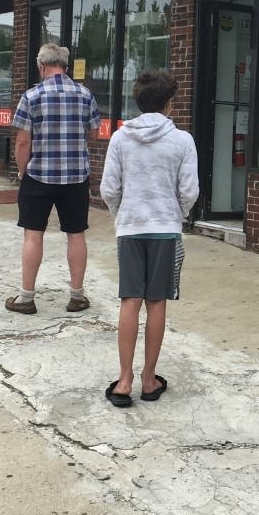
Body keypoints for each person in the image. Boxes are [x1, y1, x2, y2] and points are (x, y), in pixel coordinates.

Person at [99, 70, 198, 407]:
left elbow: (108, 189)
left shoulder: (120, 138)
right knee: (157, 301)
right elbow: (190, 191)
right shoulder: (182, 141)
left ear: (138, 101)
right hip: (165, 229)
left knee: (130, 300)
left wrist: (120, 214)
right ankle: (149, 378)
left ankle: (124, 381)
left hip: (130, 228)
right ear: (170, 103)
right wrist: (177, 214)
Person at [4, 43, 101, 315]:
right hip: (75, 176)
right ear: (66, 66)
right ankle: (77, 295)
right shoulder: (85, 95)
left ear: (41, 66)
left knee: (33, 235)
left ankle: (26, 297)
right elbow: (93, 135)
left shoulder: (32, 96)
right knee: (76, 234)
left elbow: (23, 143)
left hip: (39, 175)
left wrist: (23, 172)